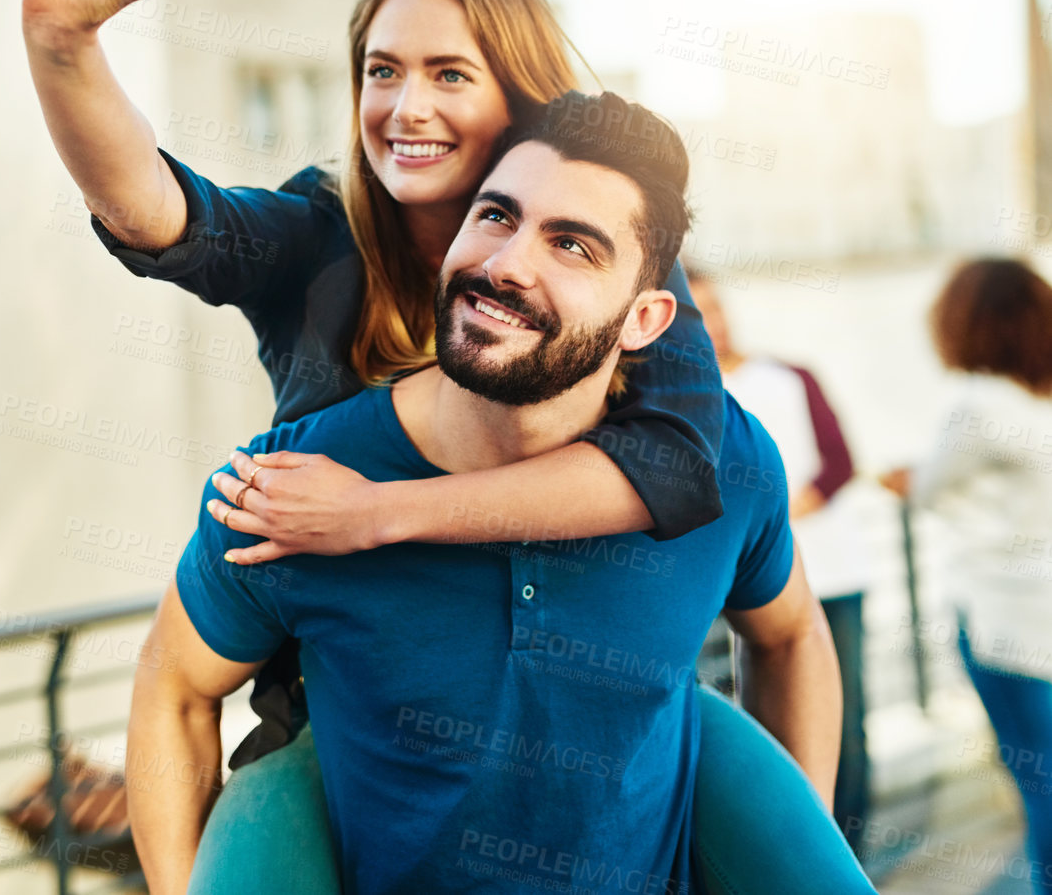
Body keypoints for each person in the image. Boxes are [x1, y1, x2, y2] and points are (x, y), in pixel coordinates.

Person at [22, 0, 856, 893]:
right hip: (348, 709)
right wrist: (62, 41)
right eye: (382, 70)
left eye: (449, 73)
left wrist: (381, 512)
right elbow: (161, 213)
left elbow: (686, 469)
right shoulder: (319, 240)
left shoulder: (629, 282)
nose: (406, 108)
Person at [128, 93, 875, 895]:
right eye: (495, 216)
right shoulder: (293, 483)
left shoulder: (725, 464)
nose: (508, 262)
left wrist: (785, 839)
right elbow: (173, 689)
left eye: (573, 246)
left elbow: (791, 634)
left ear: (645, 318)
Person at [883, 259, 1052, 894]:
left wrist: (899, 478)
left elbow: (928, 489)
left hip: (1007, 623)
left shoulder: (980, 406)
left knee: (1040, 787)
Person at [689, 266, 871, 848]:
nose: (711, 324)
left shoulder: (787, 377)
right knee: (736, 731)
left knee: (839, 727)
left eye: (715, 309)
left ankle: (841, 856)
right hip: (722, 584)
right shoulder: (675, 397)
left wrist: (769, 516)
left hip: (824, 576)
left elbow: (840, 462)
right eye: (696, 312)